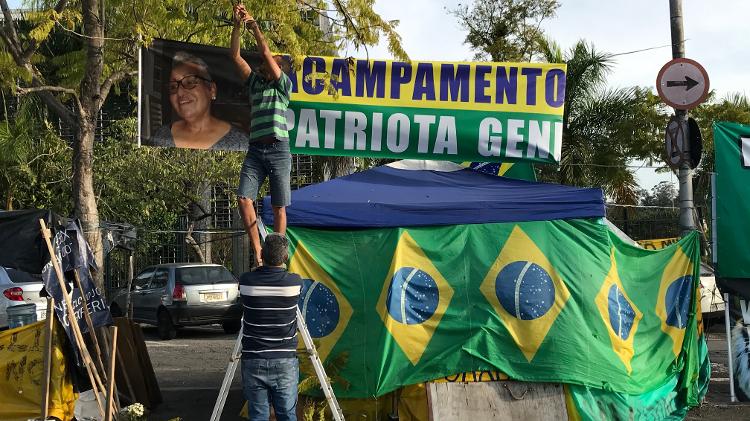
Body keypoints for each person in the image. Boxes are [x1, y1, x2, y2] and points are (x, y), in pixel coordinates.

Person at [230, 3, 293, 266]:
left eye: (274, 62)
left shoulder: (282, 85)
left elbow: (265, 51)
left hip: (278, 149)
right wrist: (237, 25)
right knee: (244, 198)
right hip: (256, 150)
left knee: (279, 207)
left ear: (279, 69)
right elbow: (234, 55)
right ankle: (258, 250)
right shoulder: (255, 83)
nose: (268, 60)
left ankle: (277, 257)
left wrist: (253, 24)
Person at [238, 233, 302, 421]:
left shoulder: (246, 281)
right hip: (284, 360)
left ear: (261, 256)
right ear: (285, 257)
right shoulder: (294, 283)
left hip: (254, 358)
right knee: (287, 416)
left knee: (258, 416)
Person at [151, 51, 248, 151]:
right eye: (173, 86)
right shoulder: (163, 135)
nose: (179, 92)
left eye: (189, 82)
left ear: (212, 90)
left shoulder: (240, 142)